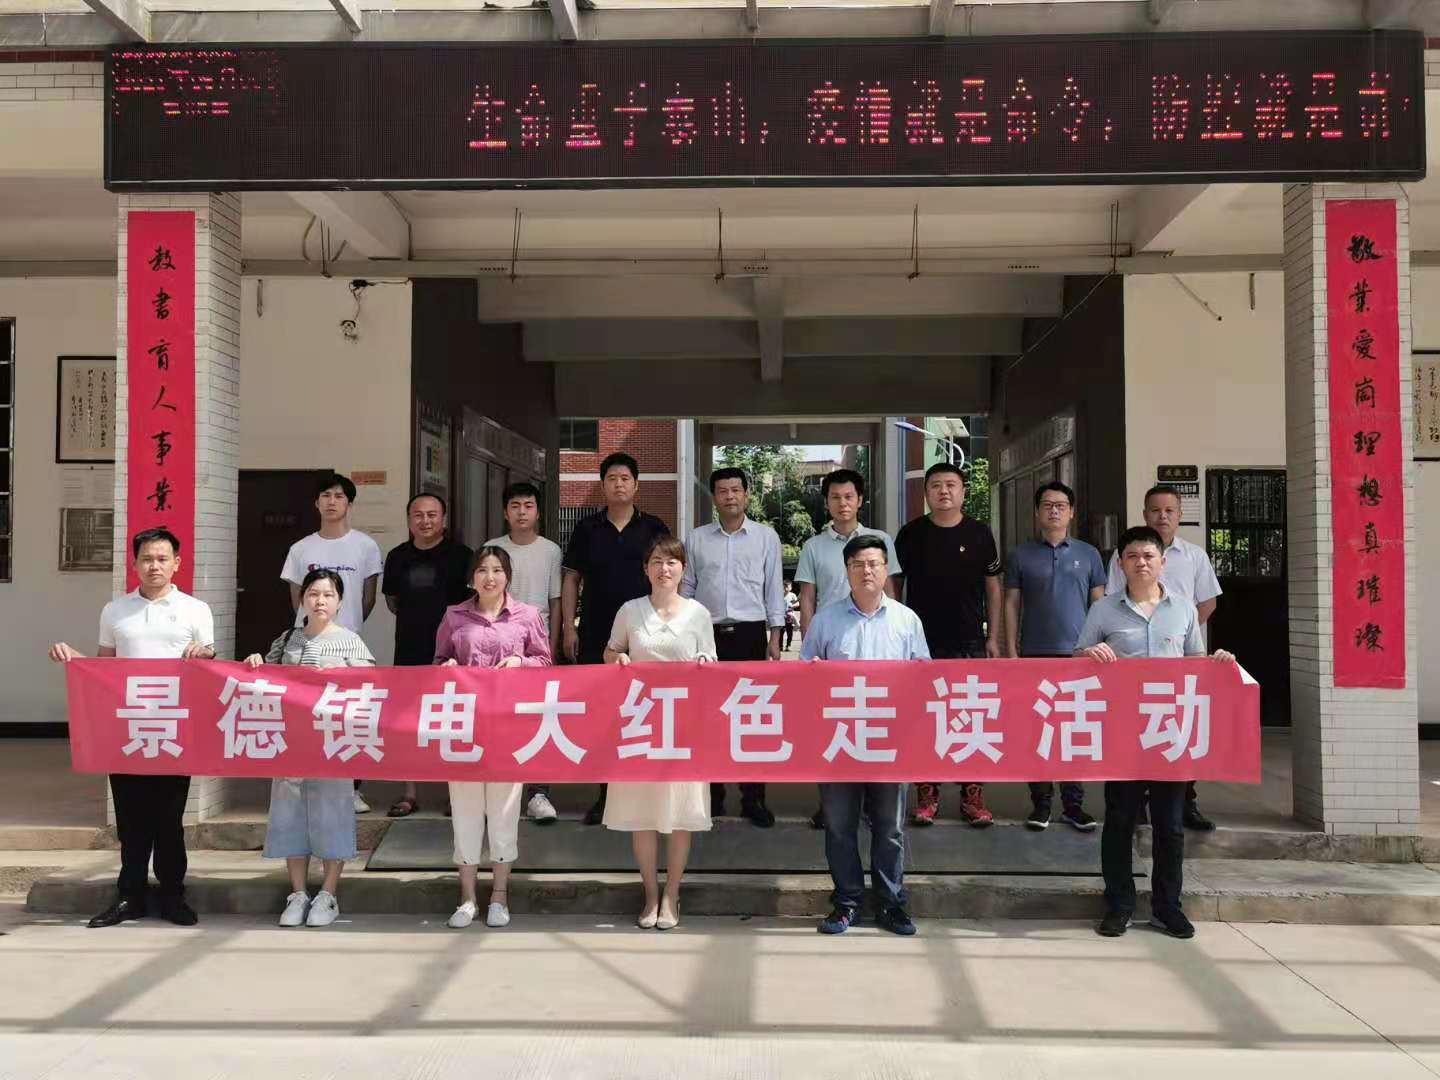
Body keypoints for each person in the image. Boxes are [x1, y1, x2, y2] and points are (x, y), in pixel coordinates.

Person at [49, 528, 215, 929]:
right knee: (131, 819)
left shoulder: (196, 610)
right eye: (146, 559)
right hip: (128, 729)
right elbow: (104, 669)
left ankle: (173, 896)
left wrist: (205, 653)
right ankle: (130, 897)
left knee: (169, 819)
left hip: (173, 728)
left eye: (162, 558)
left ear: (177, 563)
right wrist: (74, 659)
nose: (154, 566)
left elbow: (209, 661)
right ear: (134, 564)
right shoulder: (115, 611)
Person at [1077, 526, 1236, 941]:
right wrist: (1090, 654)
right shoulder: (1103, 610)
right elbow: (1078, 658)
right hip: (1122, 732)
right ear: (1120, 564)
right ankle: (1119, 905)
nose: (1141, 563)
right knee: (1119, 821)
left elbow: (1196, 662)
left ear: (1163, 562)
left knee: (1170, 825)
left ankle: (1168, 907)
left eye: (1148, 556)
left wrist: (1217, 662)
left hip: (1170, 733)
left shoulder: (1183, 609)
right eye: (1132, 556)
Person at [802, 535, 930, 937]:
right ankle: (847, 902)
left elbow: (924, 677)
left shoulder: (906, 620)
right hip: (840, 739)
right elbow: (804, 676)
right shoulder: (825, 620)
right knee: (839, 826)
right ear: (847, 571)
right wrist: (814, 672)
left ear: (886, 569)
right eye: (857, 564)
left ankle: (891, 903)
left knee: (889, 828)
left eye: (874, 563)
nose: (866, 571)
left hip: (890, 742)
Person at [243, 569, 375, 929]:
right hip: (291, 741)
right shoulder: (288, 639)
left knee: (334, 813)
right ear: (302, 599)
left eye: (328, 595)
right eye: (314, 594)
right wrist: (255, 663)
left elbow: (370, 689)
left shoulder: (351, 641)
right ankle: (298, 893)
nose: (320, 601)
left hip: (333, 742)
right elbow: (264, 681)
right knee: (290, 814)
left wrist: (343, 673)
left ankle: (328, 894)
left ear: (340, 601)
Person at [434, 545, 553, 929]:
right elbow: (438, 661)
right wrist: (449, 665)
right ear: (472, 577)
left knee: (504, 813)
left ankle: (499, 896)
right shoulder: (454, 616)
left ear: (508, 576)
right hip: (465, 727)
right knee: (465, 812)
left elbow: (546, 663)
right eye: (482, 570)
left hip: (509, 727)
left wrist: (521, 661)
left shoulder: (527, 616)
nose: (490, 577)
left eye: (497, 570)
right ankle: (467, 897)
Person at [604, 536, 717, 931]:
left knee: (680, 813)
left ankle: (672, 894)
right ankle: (650, 894)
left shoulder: (699, 614)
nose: (664, 569)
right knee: (643, 814)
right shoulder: (630, 610)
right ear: (646, 569)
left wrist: (704, 662)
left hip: (684, 727)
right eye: (656, 561)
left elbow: (711, 662)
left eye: (671, 562)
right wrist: (618, 657)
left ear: (683, 569)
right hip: (640, 725)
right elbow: (610, 651)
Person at [1105, 484, 1224, 832]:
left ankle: (1186, 802)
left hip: (1178, 664)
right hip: (1133, 666)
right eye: (1155, 510)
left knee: (1179, 734)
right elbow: (1112, 600)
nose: (1162, 516)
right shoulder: (1125, 556)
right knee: (1136, 733)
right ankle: (1137, 804)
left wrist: (1177, 633)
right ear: (1145, 514)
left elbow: (1208, 602)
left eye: (1169, 510)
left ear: (1180, 515)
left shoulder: (1194, 556)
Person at [561, 452, 670, 825]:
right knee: (604, 714)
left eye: (625, 478)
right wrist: (569, 627)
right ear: (602, 485)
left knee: (645, 710)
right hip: (596, 631)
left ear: (636, 485)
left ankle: (646, 791)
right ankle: (606, 794)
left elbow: (669, 576)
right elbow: (572, 578)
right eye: (611, 478)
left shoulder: (654, 528)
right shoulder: (587, 528)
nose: (619, 484)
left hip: (647, 633)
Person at [893, 461, 1003, 828]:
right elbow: (895, 587)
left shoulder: (980, 533)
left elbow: (993, 587)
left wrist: (993, 636)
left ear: (963, 491)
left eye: (951, 485)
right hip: (921, 643)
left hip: (969, 641)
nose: (944, 491)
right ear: (926, 493)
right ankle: (927, 794)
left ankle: (973, 796)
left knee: (970, 716)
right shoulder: (910, 534)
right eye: (936, 485)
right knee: (924, 718)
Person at [794, 468, 900, 830]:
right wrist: (811, 647)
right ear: (826, 502)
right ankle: (832, 806)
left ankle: (874, 806)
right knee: (833, 728)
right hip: (833, 651)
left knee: (876, 726)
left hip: (877, 651)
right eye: (835, 497)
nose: (843, 503)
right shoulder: (813, 546)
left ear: (860, 500)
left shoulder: (880, 540)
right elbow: (808, 598)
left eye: (849, 496)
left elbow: (892, 592)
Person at [681, 467, 785, 827]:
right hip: (706, 634)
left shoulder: (766, 537)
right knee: (708, 717)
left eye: (736, 490)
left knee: (751, 715)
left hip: (750, 634)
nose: (730, 496)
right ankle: (713, 795)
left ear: (746, 494)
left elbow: (773, 588)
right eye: (723, 491)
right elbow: (687, 587)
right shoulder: (696, 539)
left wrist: (775, 636)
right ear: (714, 497)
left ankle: (753, 798)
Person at [1004, 480, 1107, 832]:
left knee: (1073, 730)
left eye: (1060, 505)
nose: (1054, 511)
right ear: (1037, 512)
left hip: (1079, 657)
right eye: (1047, 505)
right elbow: (1011, 603)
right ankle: (1041, 803)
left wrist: (1098, 647)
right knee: (1038, 731)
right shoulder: (1020, 554)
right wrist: (1011, 651)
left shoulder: (1089, 554)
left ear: (1071, 512)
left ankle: (1073, 804)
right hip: (1034, 656)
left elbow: (1099, 605)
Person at [280, 472, 383, 815]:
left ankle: (351, 788)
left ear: (350, 503)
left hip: (347, 643)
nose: (332, 502)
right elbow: (297, 597)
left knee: (349, 715)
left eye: (339, 496)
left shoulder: (365, 546)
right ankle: (303, 783)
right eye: (325, 495)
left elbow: (368, 597)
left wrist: (344, 629)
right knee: (305, 713)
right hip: (306, 643)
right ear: (316, 502)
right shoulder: (301, 549)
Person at [381, 492, 473, 818]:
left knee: (452, 720)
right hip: (409, 648)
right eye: (418, 515)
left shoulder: (462, 556)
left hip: (452, 652)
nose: (425, 521)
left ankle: (455, 793)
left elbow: (471, 603)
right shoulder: (397, 557)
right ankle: (409, 793)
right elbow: (392, 601)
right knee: (406, 722)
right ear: (409, 520)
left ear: (443, 519)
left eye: (432, 514)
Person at [486, 481, 564, 825]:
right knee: (498, 718)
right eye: (515, 506)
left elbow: (555, 601)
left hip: (536, 645)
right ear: (505, 512)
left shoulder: (550, 550)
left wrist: (553, 644)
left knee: (538, 718)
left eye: (528, 506)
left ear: (538, 512)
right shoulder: (491, 548)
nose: (521, 512)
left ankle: (538, 793)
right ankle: (497, 788)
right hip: (497, 642)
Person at [783, 581, 800, 652]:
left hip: (789, 616)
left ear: (791, 587)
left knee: (789, 631)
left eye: (788, 586)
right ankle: (780, 646)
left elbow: (798, 604)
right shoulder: (780, 595)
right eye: (785, 586)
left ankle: (788, 645)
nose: (786, 588)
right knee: (780, 631)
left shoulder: (792, 595)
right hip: (781, 616)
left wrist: (791, 606)